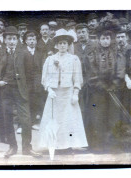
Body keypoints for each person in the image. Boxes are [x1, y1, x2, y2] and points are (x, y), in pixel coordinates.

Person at [0, 26, 42, 158]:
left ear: (17, 40)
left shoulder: (24, 53)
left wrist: (28, 90)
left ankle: (27, 147)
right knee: (7, 119)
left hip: (21, 91)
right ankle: (12, 146)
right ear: (4, 40)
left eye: (14, 39)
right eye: (9, 39)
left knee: (26, 119)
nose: (11, 41)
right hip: (5, 90)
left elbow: (32, 73)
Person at [39, 29, 88, 159]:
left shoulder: (74, 59)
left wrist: (75, 93)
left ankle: (68, 145)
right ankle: (55, 145)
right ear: (56, 45)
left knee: (69, 120)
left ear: (68, 45)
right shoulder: (50, 59)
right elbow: (45, 77)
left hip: (68, 93)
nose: (62, 46)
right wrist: (49, 89)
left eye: (65, 43)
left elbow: (77, 78)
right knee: (54, 119)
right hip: (54, 94)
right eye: (60, 43)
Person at [87, 19, 125, 153]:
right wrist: (101, 85)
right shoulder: (93, 54)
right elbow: (92, 72)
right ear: (98, 39)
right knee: (98, 117)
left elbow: (120, 71)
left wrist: (114, 84)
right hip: (98, 91)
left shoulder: (117, 53)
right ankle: (98, 145)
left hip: (114, 90)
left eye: (107, 38)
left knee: (113, 117)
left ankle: (113, 146)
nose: (105, 41)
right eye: (103, 38)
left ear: (111, 39)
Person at [74, 23, 97, 149]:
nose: (81, 34)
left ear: (87, 32)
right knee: (80, 112)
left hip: (92, 84)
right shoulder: (74, 47)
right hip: (79, 84)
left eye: (83, 31)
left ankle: (92, 141)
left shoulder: (95, 45)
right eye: (79, 32)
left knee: (92, 111)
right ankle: (81, 141)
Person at [23, 30, 44, 130]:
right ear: (26, 41)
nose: (32, 41)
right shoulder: (22, 52)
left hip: (37, 82)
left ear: (36, 41)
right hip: (26, 82)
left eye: (33, 39)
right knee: (26, 102)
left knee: (36, 101)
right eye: (30, 40)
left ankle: (35, 122)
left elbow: (41, 68)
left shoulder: (40, 53)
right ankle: (24, 124)